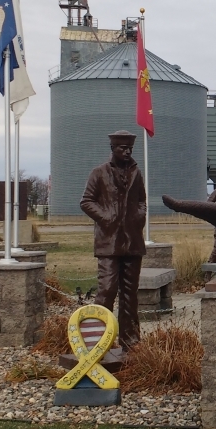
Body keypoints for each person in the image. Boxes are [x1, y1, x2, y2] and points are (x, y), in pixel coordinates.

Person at [80, 131, 148, 348]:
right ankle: (97, 341)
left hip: (133, 242)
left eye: (130, 149)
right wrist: (106, 217)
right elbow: (86, 201)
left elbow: (142, 201)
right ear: (113, 149)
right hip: (109, 242)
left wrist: (139, 217)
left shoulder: (137, 173)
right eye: (123, 148)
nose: (127, 152)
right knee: (107, 289)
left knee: (130, 295)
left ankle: (130, 341)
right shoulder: (98, 173)